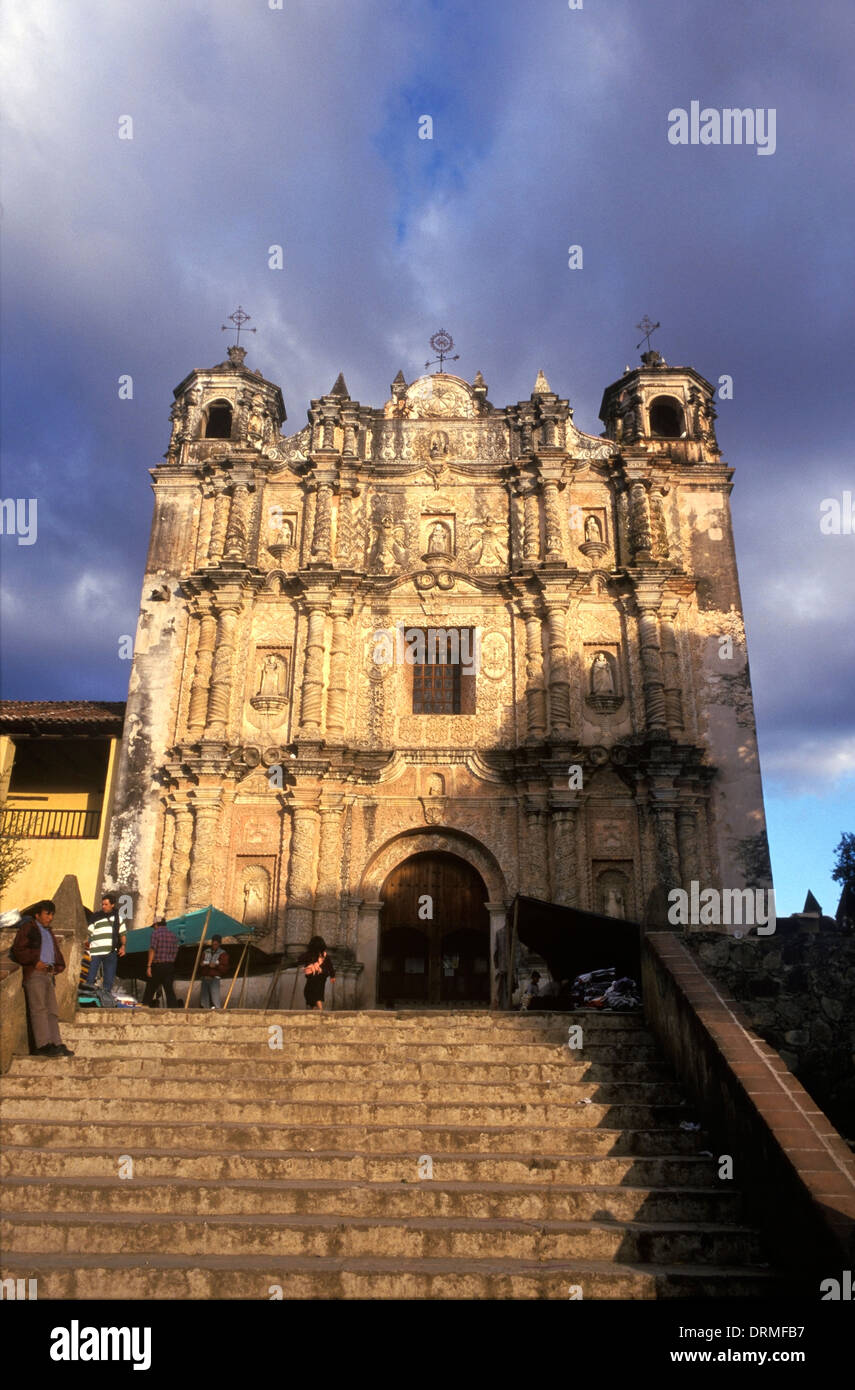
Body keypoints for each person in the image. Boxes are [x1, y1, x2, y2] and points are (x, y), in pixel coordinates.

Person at [10, 900, 74, 1057]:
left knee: (52, 1011)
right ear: (38, 915)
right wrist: (34, 961)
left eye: (52, 914)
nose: (50, 917)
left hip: (48, 975)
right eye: (47, 914)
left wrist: (56, 967)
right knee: (39, 1009)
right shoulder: (29, 928)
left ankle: (55, 1043)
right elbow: (19, 949)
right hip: (35, 974)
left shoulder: (48, 931)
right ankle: (43, 1044)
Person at [85, 892, 126, 995]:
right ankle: (88, 995)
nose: (103, 906)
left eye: (106, 904)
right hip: (95, 952)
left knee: (109, 977)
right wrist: (86, 942)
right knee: (91, 975)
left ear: (112, 905)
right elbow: (88, 932)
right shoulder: (95, 917)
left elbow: (122, 934)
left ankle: (106, 997)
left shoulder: (118, 918)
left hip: (111, 952)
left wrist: (123, 947)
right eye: (102, 904)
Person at [142, 916, 180, 1008]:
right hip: (169, 965)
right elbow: (176, 950)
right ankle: (174, 1010)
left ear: (156, 924)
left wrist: (149, 966)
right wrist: (170, 960)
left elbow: (152, 949)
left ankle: (144, 1007)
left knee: (150, 988)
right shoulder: (172, 935)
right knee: (169, 990)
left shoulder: (155, 934)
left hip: (158, 965)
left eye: (154, 926)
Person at [300, 935, 336, 1011]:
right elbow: (330, 967)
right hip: (322, 977)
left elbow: (300, 959)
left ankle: (320, 1009)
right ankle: (315, 1009)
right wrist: (332, 976)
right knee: (317, 992)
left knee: (310, 992)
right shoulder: (325, 956)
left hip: (313, 977)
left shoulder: (309, 954)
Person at [200, 934, 230, 1010]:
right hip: (205, 978)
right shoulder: (206, 952)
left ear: (219, 944)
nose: (214, 946)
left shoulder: (223, 954)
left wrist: (216, 966)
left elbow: (225, 968)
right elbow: (200, 962)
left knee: (215, 999)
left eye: (216, 944)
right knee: (204, 1000)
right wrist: (202, 964)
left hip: (215, 979)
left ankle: (217, 1013)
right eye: (213, 944)